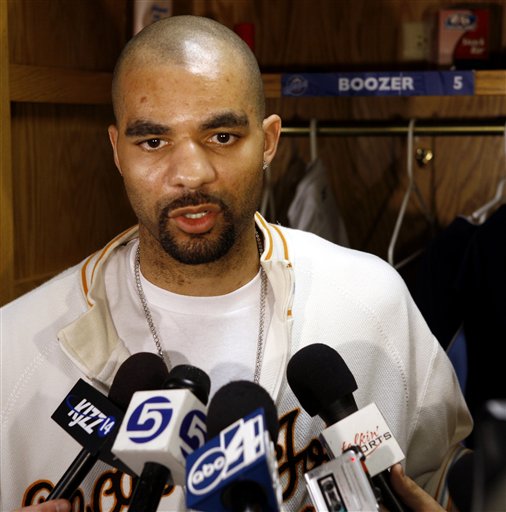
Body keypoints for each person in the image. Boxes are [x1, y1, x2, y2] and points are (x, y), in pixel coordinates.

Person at [1, 15, 472, 512]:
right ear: (117, 151)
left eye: (222, 136)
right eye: (153, 142)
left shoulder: (372, 301)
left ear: (268, 142)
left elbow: (438, 478)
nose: (191, 174)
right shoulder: (13, 348)